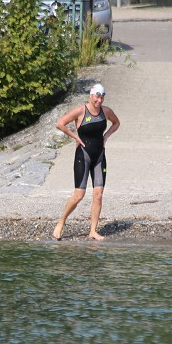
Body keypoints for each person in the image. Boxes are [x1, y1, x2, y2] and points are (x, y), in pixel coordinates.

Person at [53, 83, 121, 241]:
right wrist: (75, 137)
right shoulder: (81, 111)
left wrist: (106, 136)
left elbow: (116, 123)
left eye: (102, 96)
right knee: (79, 195)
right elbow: (60, 123)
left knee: (98, 195)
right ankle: (61, 222)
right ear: (91, 95)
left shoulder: (106, 111)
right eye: (97, 95)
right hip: (83, 155)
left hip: (99, 156)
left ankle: (93, 231)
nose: (99, 99)